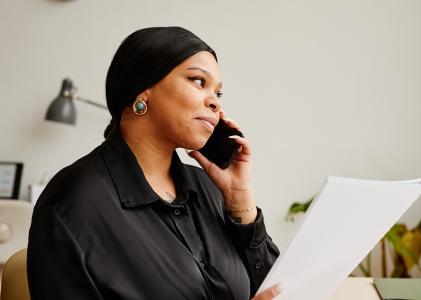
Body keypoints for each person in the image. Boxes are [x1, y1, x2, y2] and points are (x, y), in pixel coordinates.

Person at [27, 27, 282, 300]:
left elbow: (278, 288)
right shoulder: (73, 204)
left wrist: (239, 198)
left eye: (218, 94)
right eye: (198, 81)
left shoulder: (209, 189)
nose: (214, 104)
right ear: (142, 90)